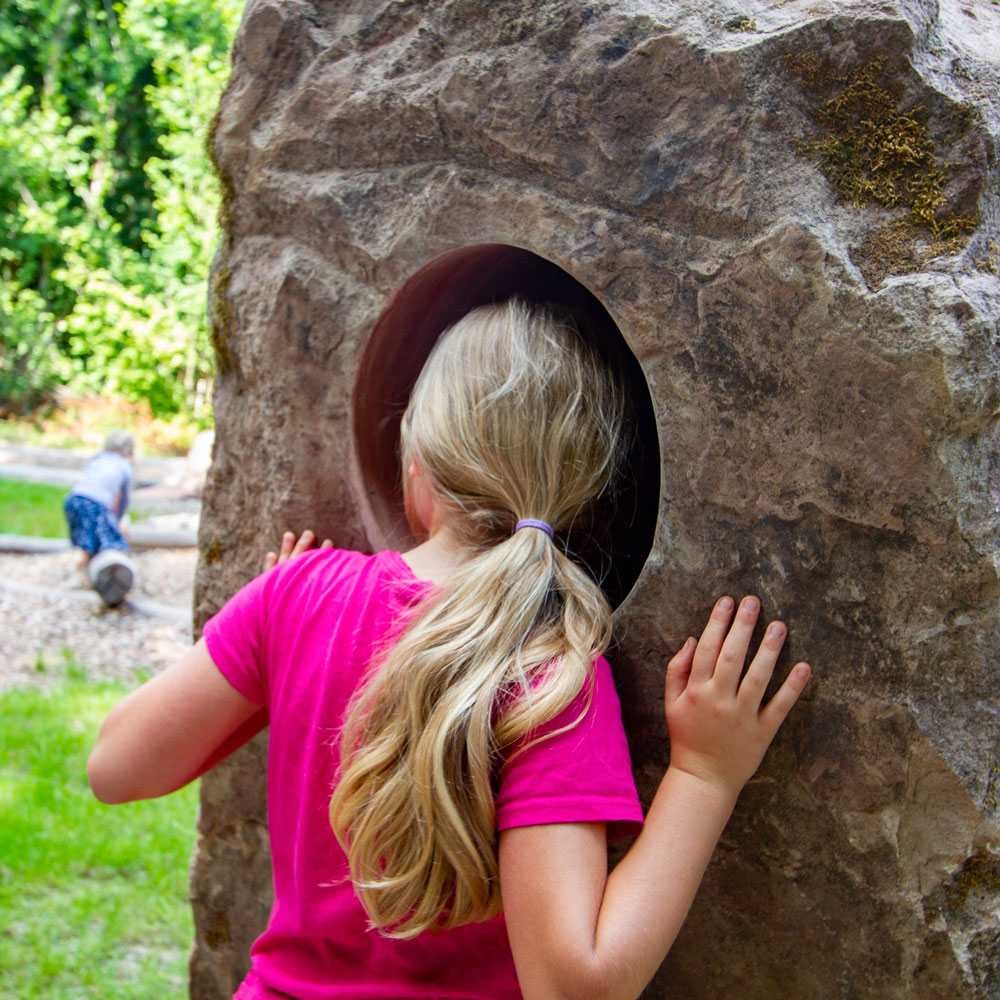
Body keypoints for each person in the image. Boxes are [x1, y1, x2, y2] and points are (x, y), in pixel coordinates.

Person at [87, 300, 811, 1000]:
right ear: (589, 494)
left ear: (416, 462)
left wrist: (280, 647)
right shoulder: (549, 669)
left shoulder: (300, 593)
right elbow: (573, 987)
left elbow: (116, 767)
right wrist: (705, 773)